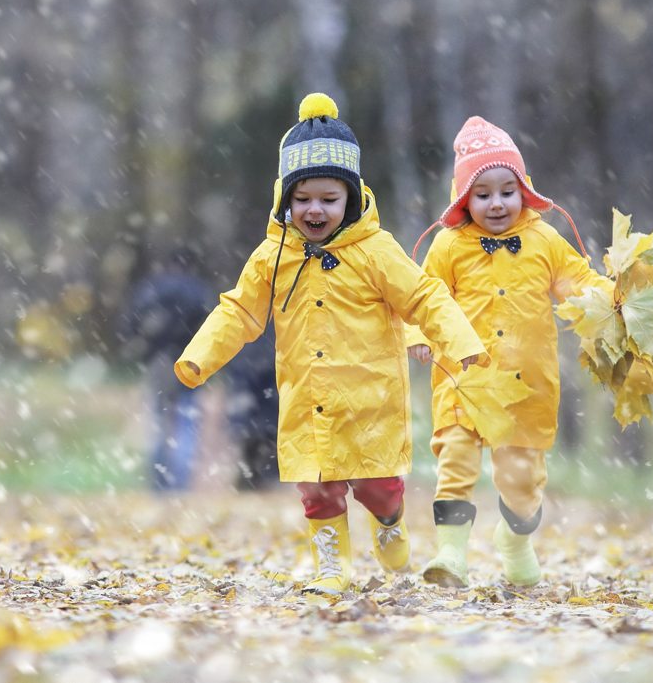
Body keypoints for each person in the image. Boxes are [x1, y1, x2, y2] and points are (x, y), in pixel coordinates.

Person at [174, 93, 485, 594]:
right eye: (302, 199)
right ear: (284, 201)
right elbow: (240, 311)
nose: (314, 210)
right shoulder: (272, 256)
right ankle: (331, 567)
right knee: (317, 489)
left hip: (370, 400)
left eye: (328, 198)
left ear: (353, 198)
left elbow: (424, 297)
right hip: (307, 398)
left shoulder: (375, 251)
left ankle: (389, 520)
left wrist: (458, 340)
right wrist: (199, 357)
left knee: (376, 487)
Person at [407, 116, 612, 588]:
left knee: (522, 484)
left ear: (524, 189)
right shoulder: (448, 246)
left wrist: (612, 302)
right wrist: (418, 337)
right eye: (482, 194)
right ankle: (451, 554)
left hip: (526, 384)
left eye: (506, 190)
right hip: (464, 378)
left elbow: (579, 285)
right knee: (455, 459)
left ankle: (515, 538)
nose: (496, 203)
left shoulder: (544, 241)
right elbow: (423, 296)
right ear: (464, 199)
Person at [120, 252, 214, 491]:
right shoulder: (198, 291)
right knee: (186, 420)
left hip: (158, 363)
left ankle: (159, 480)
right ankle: (181, 481)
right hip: (192, 361)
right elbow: (213, 327)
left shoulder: (150, 290)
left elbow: (130, 324)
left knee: (159, 420)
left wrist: (142, 347)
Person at [224, 324, 280, 490]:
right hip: (264, 358)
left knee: (256, 425)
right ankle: (256, 476)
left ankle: (254, 476)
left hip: (255, 358)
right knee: (262, 425)